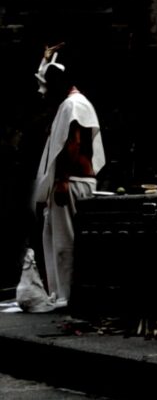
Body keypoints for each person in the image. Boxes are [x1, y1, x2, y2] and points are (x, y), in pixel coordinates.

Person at [33, 43, 105, 308]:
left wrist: (62, 180)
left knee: (65, 242)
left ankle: (67, 294)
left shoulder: (72, 104)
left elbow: (72, 142)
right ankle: (61, 292)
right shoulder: (74, 103)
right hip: (72, 180)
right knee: (56, 237)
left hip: (72, 181)